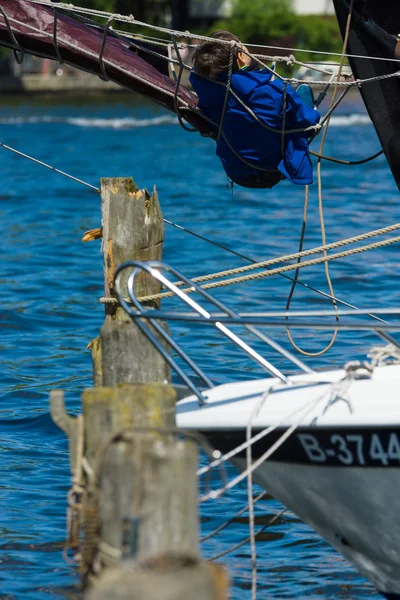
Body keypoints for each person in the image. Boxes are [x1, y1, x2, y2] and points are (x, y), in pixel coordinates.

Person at [189, 31, 320, 189]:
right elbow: (310, 122)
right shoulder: (276, 92)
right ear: (240, 57)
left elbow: (198, 74)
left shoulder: (206, 91)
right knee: (303, 98)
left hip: (235, 172)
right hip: (272, 171)